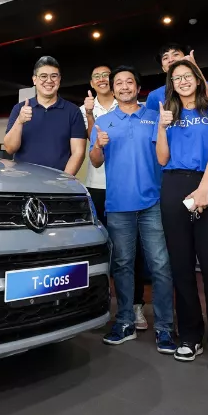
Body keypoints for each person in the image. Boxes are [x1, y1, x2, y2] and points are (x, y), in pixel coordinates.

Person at [90, 66, 176, 353]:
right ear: (113, 90)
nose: (124, 86)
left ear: (138, 88)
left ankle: (165, 328)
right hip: (118, 206)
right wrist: (98, 146)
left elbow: (164, 157)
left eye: (130, 82)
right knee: (123, 266)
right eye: (119, 83)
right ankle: (125, 321)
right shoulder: (103, 120)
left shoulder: (153, 117)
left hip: (153, 203)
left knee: (161, 266)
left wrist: (164, 126)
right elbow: (95, 161)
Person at [154, 59, 208, 369]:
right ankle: (189, 336)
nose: (183, 81)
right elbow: (162, 157)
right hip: (173, 185)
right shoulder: (167, 114)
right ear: (171, 84)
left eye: (188, 76)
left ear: (198, 80)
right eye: (177, 78)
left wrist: (203, 189)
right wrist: (162, 127)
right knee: (181, 266)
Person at [82, 65, 148, 329]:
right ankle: (99, 303)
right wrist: (88, 114)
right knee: (100, 249)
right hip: (96, 187)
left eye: (106, 77)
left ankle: (135, 306)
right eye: (96, 76)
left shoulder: (137, 108)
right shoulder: (86, 109)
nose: (102, 80)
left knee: (134, 253)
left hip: (128, 188)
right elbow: (91, 147)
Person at [4, 56, 86, 174]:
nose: (49, 81)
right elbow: (10, 149)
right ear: (34, 80)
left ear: (59, 79)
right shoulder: (19, 109)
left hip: (57, 183)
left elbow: (78, 152)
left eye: (54, 76)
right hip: (22, 181)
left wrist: (63, 181)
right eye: (43, 76)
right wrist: (19, 121)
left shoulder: (73, 111)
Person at [145, 42, 208, 112]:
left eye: (175, 54)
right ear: (163, 68)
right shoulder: (154, 96)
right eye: (165, 58)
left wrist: (195, 67)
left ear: (187, 58)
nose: (171, 60)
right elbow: (152, 125)